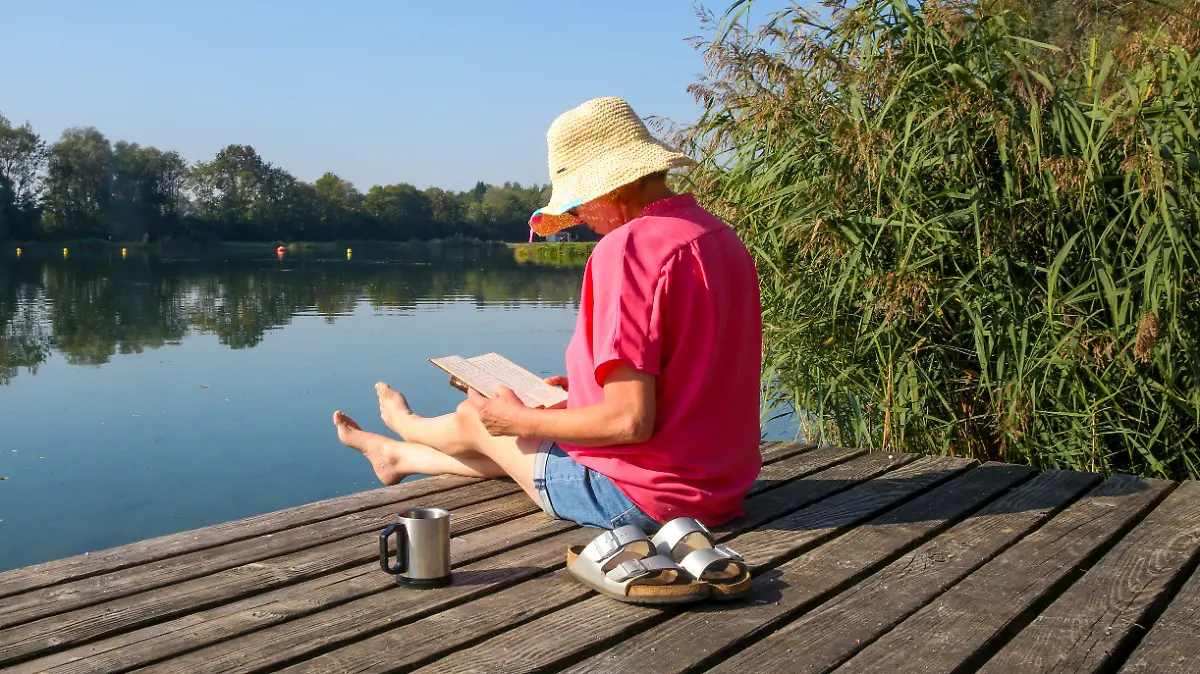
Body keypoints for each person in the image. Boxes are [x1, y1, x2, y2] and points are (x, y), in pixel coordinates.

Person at [333, 96, 763, 531]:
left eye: (576, 204)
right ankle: (398, 455)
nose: (576, 217)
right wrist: (582, 388)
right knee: (508, 424)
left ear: (612, 186)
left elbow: (628, 421)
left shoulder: (627, 249)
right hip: (722, 489)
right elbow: (695, 371)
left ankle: (408, 428)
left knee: (478, 417)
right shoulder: (717, 235)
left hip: (645, 501)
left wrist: (517, 419)